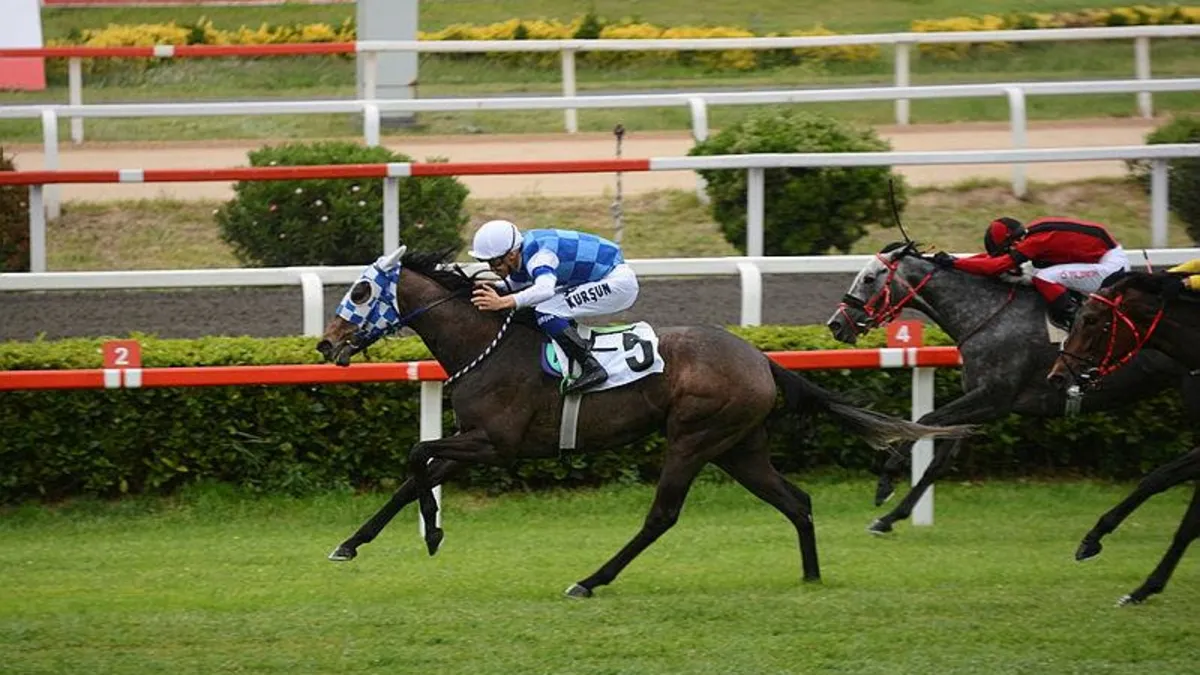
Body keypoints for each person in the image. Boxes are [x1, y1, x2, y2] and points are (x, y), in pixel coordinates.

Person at [468, 219, 639, 394]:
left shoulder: (539, 256)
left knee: (546, 310)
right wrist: (493, 287)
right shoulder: (520, 250)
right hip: (603, 276)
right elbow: (516, 284)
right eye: (487, 263)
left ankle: (591, 367)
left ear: (511, 255)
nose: (493, 269)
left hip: (617, 283)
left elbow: (545, 289)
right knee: (542, 306)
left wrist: (502, 302)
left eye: (495, 263)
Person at [931, 216, 1130, 329]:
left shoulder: (1035, 241)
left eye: (1007, 250)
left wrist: (955, 264)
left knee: (1042, 277)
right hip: (1104, 258)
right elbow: (993, 260)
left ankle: (1076, 322)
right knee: (1036, 271)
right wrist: (955, 260)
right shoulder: (1031, 233)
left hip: (1110, 268)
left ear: (1014, 242)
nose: (1009, 254)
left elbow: (996, 266)